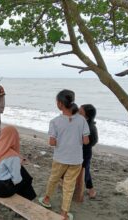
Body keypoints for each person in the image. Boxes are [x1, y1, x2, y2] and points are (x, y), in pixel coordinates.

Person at [38, 89, 90, 220]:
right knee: (69, 186)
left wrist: (61, 139)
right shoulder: (82, 120)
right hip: (76, 159)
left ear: (60, 104)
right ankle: (64, 214)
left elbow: (52, 142)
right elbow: (86, 141)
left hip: (60, 157)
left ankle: (46, 199)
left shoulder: (55, 121)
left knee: (54, 179)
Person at [0, 126, 36, 201]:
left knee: (23, 174)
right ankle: (29, 198)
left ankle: (29, 195)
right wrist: (18, 165)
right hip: (1, 191)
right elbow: (17, 180)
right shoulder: (12, 156)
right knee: (25, 178)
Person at [79, 104, 98, 199]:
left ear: (86, 115)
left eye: (80, 112)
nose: (78, 113)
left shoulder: (91, 127)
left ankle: (91, 189)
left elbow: (94, 141)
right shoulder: (80, 122)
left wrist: (83, 142)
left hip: (85, 153)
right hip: (77, 151)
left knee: (85, 171)